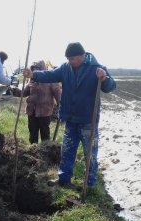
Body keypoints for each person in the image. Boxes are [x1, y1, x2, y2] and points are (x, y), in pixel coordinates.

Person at [22, 42, 116, 189]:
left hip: (88, 119)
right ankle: (64, 179)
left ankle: (89, 183)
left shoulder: (96, 68)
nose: (69, 61)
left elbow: (110, 87)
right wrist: (34, 75)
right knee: (67, 150)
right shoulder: (66, 68)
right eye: (68, 59)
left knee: (90, 153)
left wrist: (104, 79)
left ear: (82, 56)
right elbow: (50, 74)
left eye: (72, 58)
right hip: (70, 118)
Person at [12, 60, 61, 144]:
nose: (34, 70)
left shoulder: (50, 80)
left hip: (44, 111)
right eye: (33, 69)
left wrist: (61, 107)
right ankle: (33, 149)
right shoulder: (31, 80)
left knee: (44, 133)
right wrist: (14, 90)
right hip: (32, 111)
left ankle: (45, 150)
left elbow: (58, 94)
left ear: (42, 69)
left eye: (37, 68)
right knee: (32, 132)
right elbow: (25, 92)